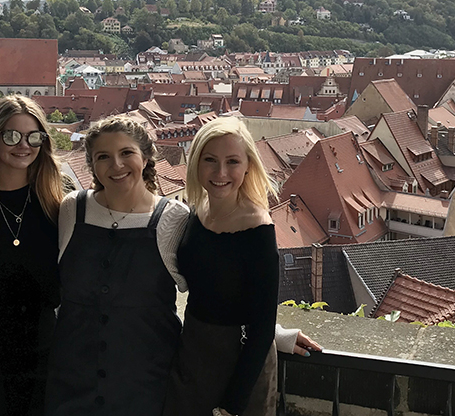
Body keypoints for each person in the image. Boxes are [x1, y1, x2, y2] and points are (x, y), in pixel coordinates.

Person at [46, 114, 191, 415]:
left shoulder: (173, 218)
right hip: (71, 387)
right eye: (103, 157)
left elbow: (215, 292)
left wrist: (271, 332)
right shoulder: (72, 209)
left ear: (146, 156)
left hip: (146, 389)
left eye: (127, 153)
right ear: (92, 165)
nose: (116, 165)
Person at [164, 116, 280, 416]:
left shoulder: (258, 230)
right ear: (196, 163)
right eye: (210, 160)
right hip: (193, 352)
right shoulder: (197, 212)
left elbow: (262, 325)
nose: (220, 172)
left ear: (247, 166)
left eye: (232, 161)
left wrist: (233, 404)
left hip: (240, 366)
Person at [0, 95, 65, 416]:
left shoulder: (57, 207)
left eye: (34, 136)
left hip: (44, 353)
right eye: (11, 136)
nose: (23, 145)